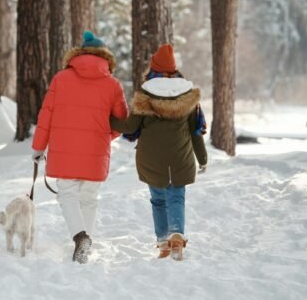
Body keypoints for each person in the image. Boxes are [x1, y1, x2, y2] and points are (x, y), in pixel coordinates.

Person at [31, 31, 128, 264]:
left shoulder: (61, 79)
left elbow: (46, 116)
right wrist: (105, 135)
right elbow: (122, 120)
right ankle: (86, 242)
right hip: (96, 149)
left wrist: (38, 147)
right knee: (89, 197)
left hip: (64, 149)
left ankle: (80, 236)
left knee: (67, 194)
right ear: (105, 56)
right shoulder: (112, 84)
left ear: (78, 54)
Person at [110, 43, 207, 260]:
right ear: (174, 68)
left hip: (151, 158)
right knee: (176, 198)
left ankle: (163, 242)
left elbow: (130, 127)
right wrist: (202, 158)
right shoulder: (188, 94)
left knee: (158, 200)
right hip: (180, 157)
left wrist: (108, 120)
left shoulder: (145, 93)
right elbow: (195, 131)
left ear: (153, 68)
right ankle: (176, 235)